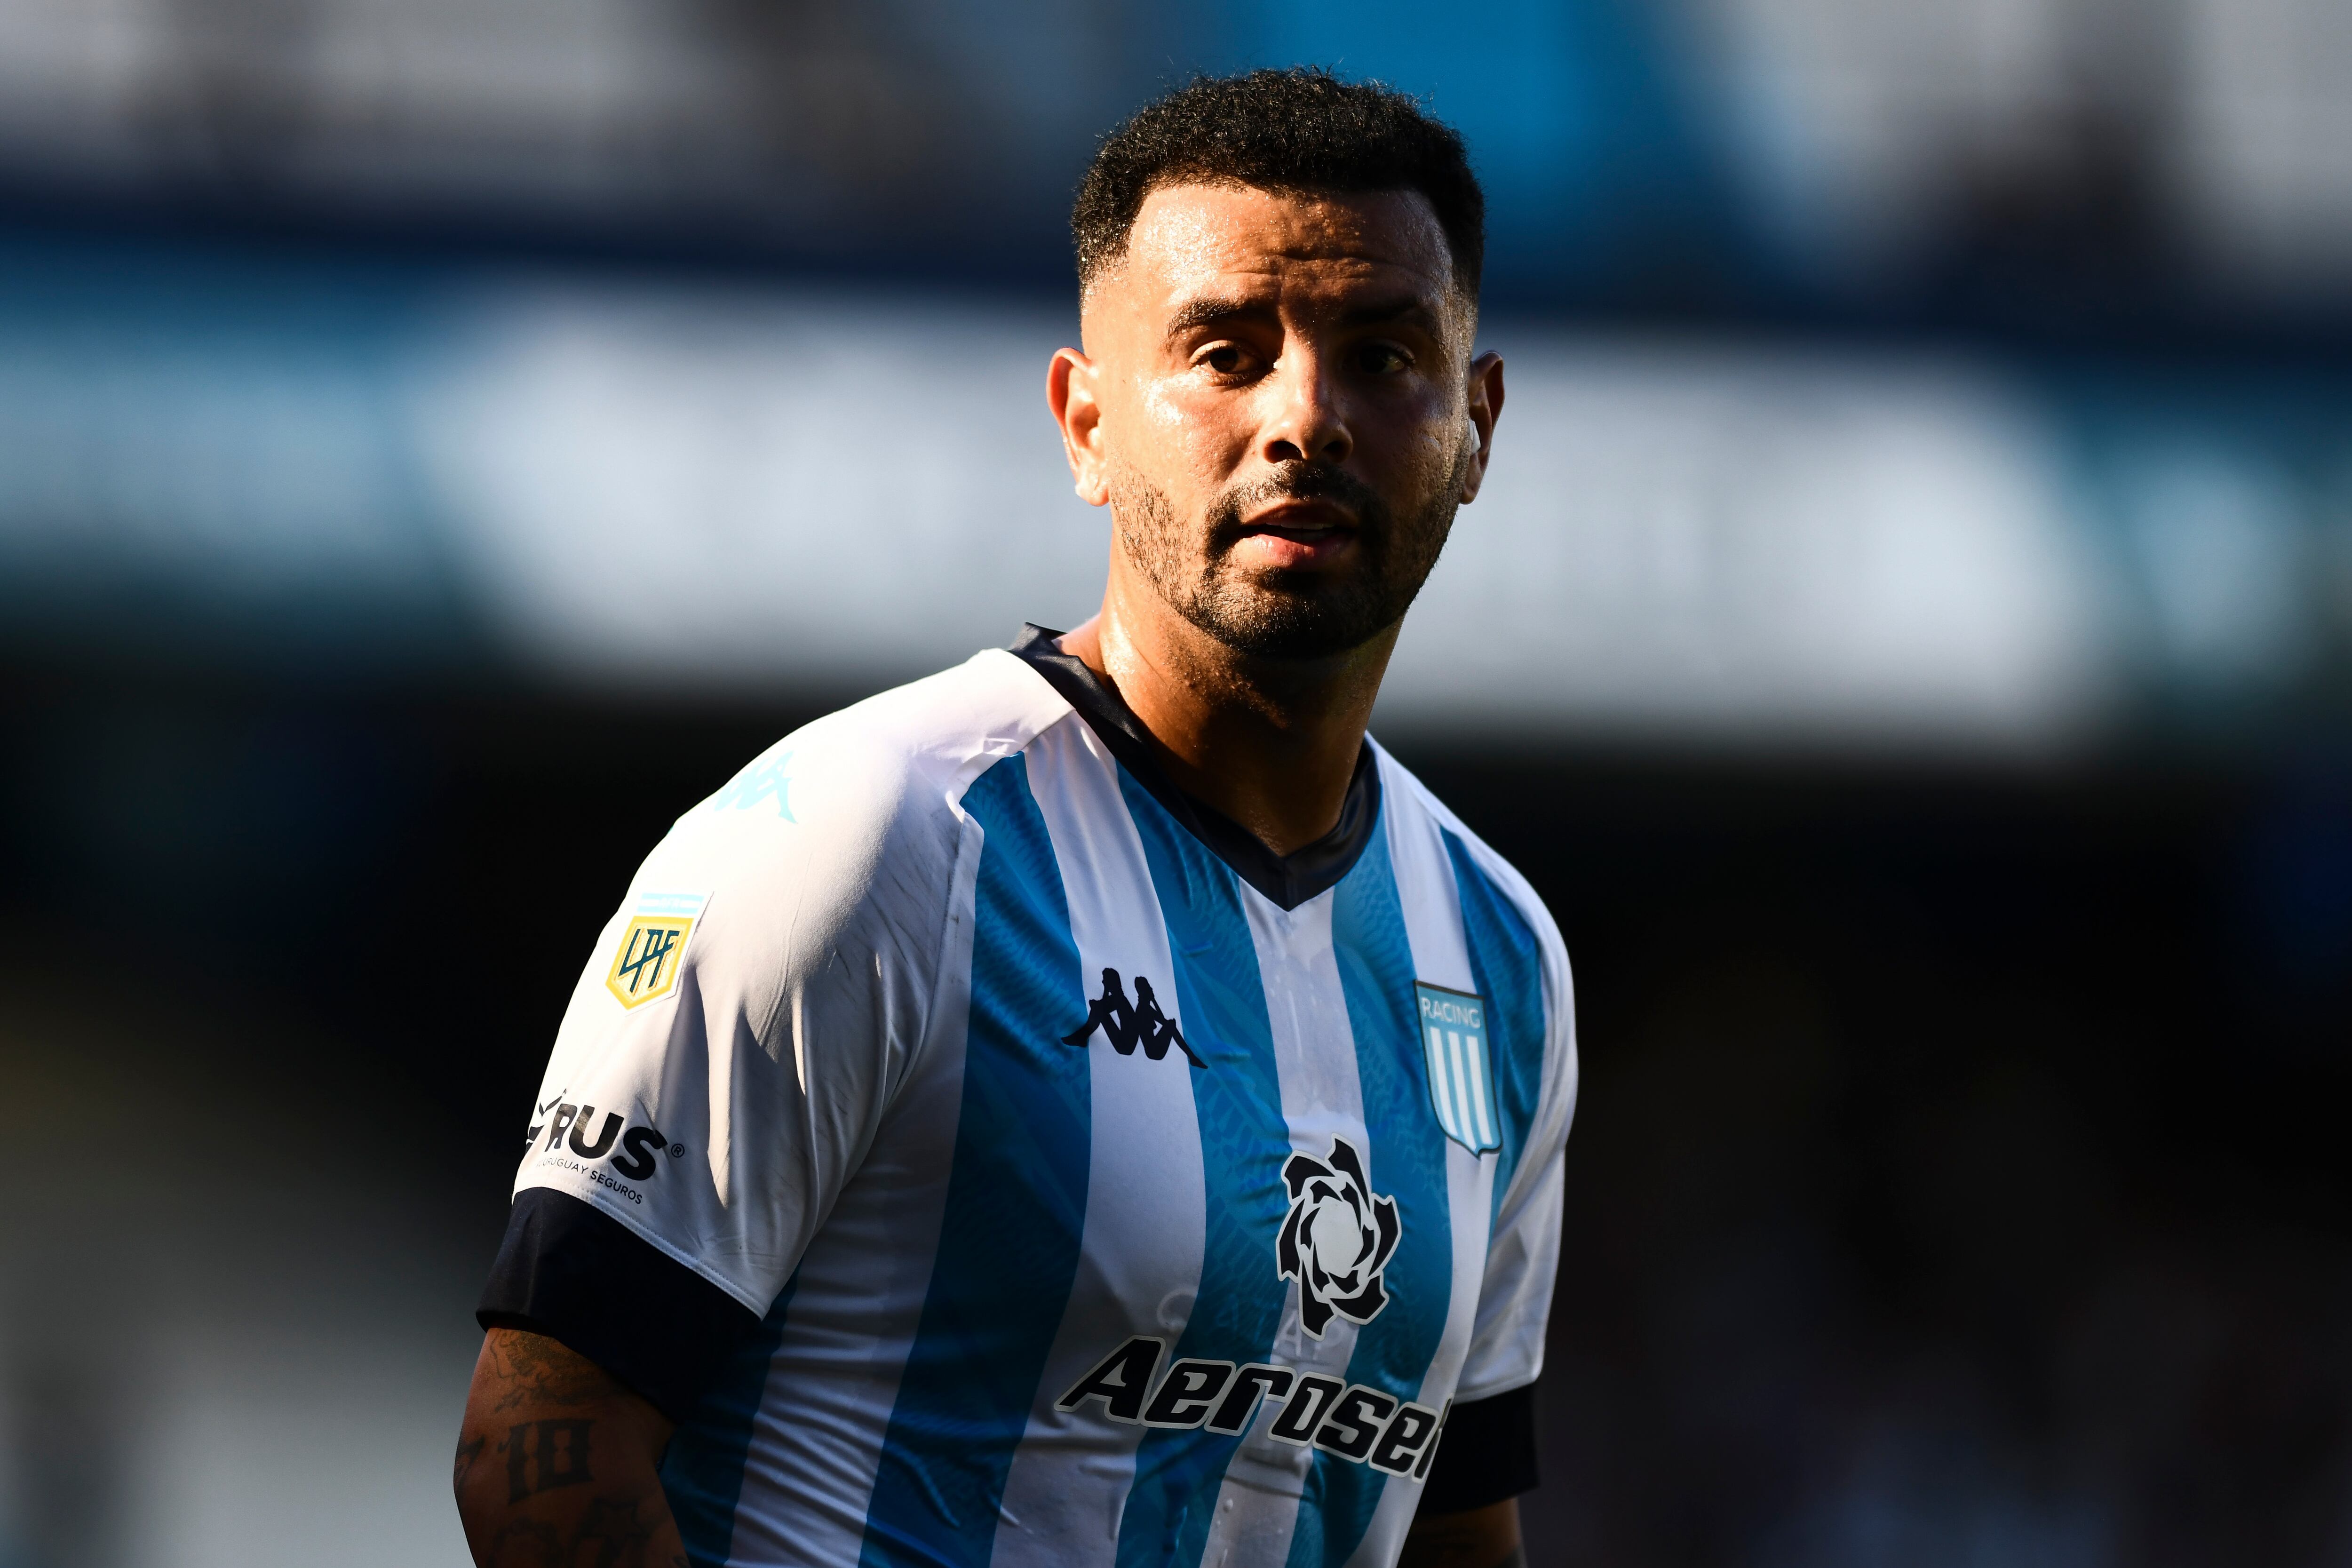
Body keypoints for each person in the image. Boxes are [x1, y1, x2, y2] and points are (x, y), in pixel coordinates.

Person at [453, 66, 1577, 1568]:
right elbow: (539, 1449)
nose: (1304, 417)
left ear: (1477, 423)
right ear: (1087, 421)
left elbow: (1457, 1526)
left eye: (1382, 355)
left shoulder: (1500, 960)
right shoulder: (872, 842)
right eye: (1225, 352)